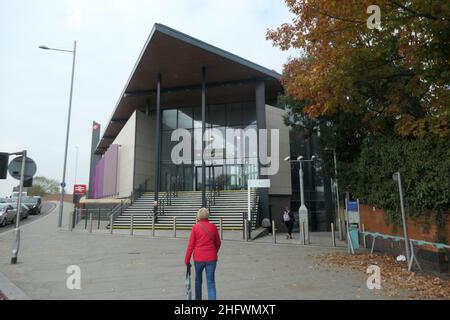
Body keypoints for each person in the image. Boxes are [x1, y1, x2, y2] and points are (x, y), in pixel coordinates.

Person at [184, 208, 221, 300]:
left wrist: (187, 260)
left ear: (198, 216)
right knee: (211, 282)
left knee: (198, 281)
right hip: (211, 259)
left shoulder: (195, 227)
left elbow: (190, 245)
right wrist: (213, 251)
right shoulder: (213, 227)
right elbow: (218, 243)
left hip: (198, 259)